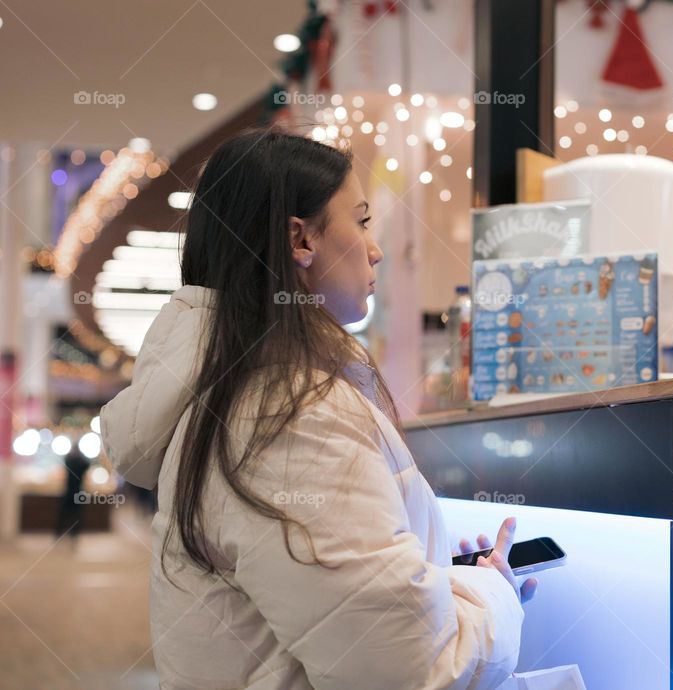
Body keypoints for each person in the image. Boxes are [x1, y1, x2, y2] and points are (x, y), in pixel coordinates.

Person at [99, 130, 536, 690]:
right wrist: (493, 592)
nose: (374, 249)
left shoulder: (247, 397)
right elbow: (410, 671)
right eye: (362, 221)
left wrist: (430, 581)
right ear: (300, 240)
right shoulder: (286, 416)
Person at [54, 444, 90, 540]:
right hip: (74, 491)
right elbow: (86, 464)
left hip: (72, 491)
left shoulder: (71, 461)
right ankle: (68, 532)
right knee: (70, 514)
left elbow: (85, 464)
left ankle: (66, 532)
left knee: (71, 514)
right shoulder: (78, 462)